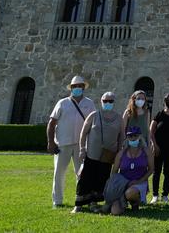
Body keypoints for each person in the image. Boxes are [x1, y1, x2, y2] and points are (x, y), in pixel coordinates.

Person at [47, 75, 96, 208]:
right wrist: (51, 142)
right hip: (62, 143)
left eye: (80, 86)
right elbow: (52, 123)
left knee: (81, 173)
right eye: (75, 86)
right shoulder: (62, 103)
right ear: (71, 88)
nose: (77, 88)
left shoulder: (89, 103)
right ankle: (57, 201)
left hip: (81, 145)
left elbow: (93, 124)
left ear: (83, 88)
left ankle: (81, 199)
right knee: (59, 173)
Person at [73, 91, 123, 213]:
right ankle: (78, 205)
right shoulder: (93, 115)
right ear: (101, 102)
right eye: (105, 101)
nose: (107, 103)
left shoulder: (119, 118)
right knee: (85, 179)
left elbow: (121, 136)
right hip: (91, 154)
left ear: (114, 102)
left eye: (110, 101)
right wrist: (82, 149)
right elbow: (83, 133)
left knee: (101, 179)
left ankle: (93, 203)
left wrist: (120, 152)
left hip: (107, 156)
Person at [108, 126, 154, 215]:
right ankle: (122, 202)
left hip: (139, 183)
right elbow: (114, 172)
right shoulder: (121, 153)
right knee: (115, 211)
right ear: (127, 138)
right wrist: (119, 185)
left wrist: (139, 181)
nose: (133, 138)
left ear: (140, 137)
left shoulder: (146, 151)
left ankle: (135, 203)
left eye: (135, 136)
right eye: (130, 136)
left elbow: (151, 169)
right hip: (123, 184)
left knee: (130, 193)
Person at [149, 93, 169, 204]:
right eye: (167, 100)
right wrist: (154, 144)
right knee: (156, 172)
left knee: (167, 172)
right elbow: (151, 131)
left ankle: (165, 195)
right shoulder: (160, 114)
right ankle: (155, 195)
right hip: (158, 147)